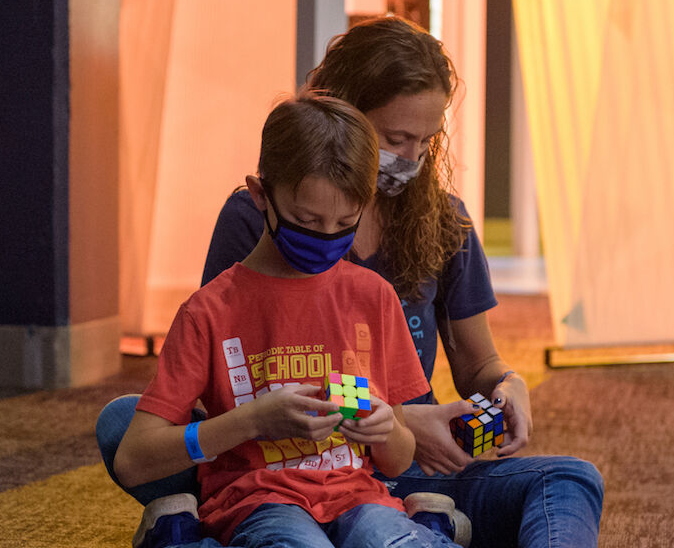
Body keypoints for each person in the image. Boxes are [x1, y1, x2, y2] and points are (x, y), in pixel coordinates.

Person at [100, 16, 603, 548]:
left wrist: (506, 389)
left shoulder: (440, 222)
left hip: (391, 465)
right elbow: (226, 374)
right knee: (123, 422)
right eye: (395, 138)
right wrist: (255, 428)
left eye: (424, 142)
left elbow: (477, 365)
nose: (409, 158)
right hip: (273, 464)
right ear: (342, 114)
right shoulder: (252, 225)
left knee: (569, 479)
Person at [112, 93, 462, 548]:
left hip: (361, 499)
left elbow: (397, 461)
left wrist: (386, 430)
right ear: (260, 195)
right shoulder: (209, 312)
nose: (326, 237)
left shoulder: (372, 296)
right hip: (258, 501)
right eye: (306, 219)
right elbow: (133, 460)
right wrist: (252, 421)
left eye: (344, 222)